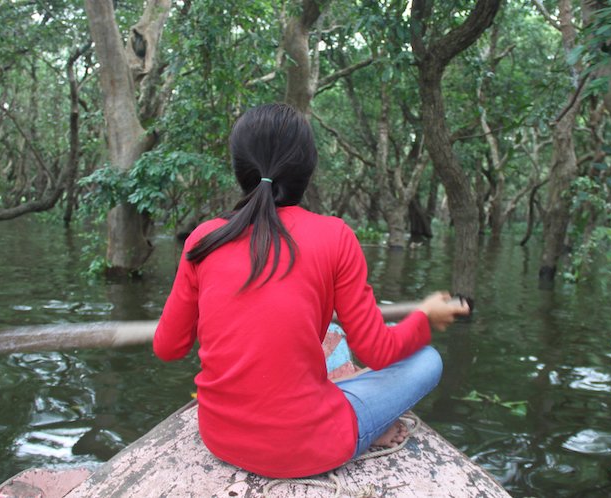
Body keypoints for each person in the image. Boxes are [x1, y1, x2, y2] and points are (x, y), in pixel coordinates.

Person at [153, 103, 470, 479]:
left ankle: (350, 412)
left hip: (220, 438)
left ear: (240, 170)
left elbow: (167, 347)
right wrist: (424, 317)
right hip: (311, 446)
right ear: (307, 170)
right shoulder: (335, 235)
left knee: (329, 353)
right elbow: (377, 351)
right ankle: (363, 429)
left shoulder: (203, 238)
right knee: (428, 360)